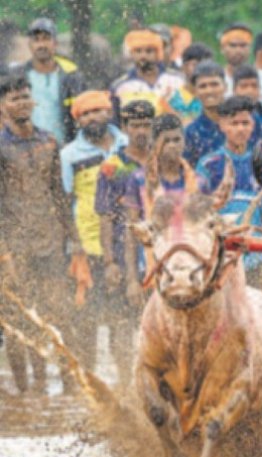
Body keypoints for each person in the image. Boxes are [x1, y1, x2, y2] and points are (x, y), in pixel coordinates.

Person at [0, 75, 81, 394]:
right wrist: (4, 252)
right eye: (13, 99)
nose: (21, 103)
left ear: (32, 101)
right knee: (20, 320)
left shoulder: (49, 141)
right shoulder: (1, 147)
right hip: (14, 245)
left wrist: (74, 240)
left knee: (59, 312)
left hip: (50, 242)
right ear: (4, 106)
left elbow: (59, 194)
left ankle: (70, 387)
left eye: (25, 97)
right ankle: (29, 392)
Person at [60, 91, 129, 372]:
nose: (91, 118)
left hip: (126, 241)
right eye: (84, 115)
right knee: (87, 318)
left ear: (109, 112)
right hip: (88, 245)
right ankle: (89, 385)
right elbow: (64, 202)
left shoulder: (126, 145)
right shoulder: (69, 155)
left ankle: (125, 382)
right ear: (77, 122)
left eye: (96, 111)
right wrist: (75, 243)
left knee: (123, 319)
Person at [93, 100, 154, 382]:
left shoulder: (161, 161)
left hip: (157, 254)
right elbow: (105, 217)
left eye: (146, 124)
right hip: (121, 248)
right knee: (121, 323)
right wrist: (109, 262)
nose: (141, 130)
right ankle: (124, 383)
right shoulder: (112, 167)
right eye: (135, 125)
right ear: (125, 128)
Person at [197, 96, 262, 288]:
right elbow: (200, 215)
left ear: (253, 125)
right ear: (222, 126)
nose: (240, 128)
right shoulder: (208, 165)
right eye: (234, 123)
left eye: (245, 123)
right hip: (219, 255)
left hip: (255, 254)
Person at [183, 61, 262, 167]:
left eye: (214, 84)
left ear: (225, 86)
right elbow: (187, 171)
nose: (209, 90)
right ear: (195, 92)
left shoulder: (247, 119)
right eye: (203, 86)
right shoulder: (191, 133)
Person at [21, 18, 84, 144]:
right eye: (36, 40)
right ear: (29, 45)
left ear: (55, 43)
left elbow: (81, 113)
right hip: (28, 149)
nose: (41, 45)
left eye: (46, 39)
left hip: (65, 148)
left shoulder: (71, 75)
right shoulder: (20, 76)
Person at [111, 29, 184, 119]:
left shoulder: (177, 80)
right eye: (138, 51)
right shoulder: (120, 87)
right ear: (132, 54)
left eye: (149, 51)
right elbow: (115, 122)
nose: (143, 56)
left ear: (158, 53)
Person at [220, 23, 262, 111]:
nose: (238, 50)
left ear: (250, 48)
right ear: (222, 48)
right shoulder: (216, 82)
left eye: (243, 45)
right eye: (233, 45)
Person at [168, 42, 213, 125]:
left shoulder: (215, 98)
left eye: (206, 65)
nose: (202, 70)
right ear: (184, 67)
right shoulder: (170, 97)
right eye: (196, 65)